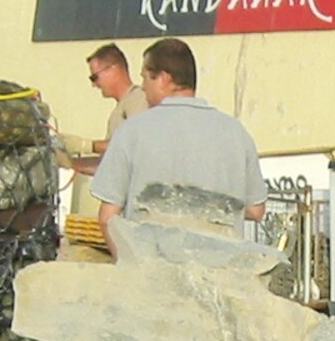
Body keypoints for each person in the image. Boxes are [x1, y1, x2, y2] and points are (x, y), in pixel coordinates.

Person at [93, 37, 266, 258]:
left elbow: (107, 218)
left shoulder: (131, 132)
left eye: (145, 77)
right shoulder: (237, 134)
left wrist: (130, 265)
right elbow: (256, 210)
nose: (143, 87)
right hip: (220, 270)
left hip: (153, 269)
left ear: (164, 79)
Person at [86, 43, 148, 154]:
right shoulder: (119, 110)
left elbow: (133, 144)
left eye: (94, 77)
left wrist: (87, 145)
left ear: (113, 70)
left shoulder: (138, 98)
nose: (94, 85)